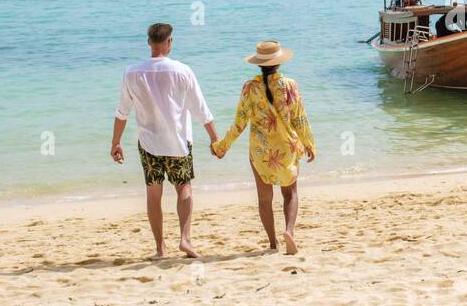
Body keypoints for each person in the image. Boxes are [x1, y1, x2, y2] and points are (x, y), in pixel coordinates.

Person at [111, 23, 218, 258]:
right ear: (170, 42)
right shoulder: (182, 71)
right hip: (178, 143)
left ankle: (160, 248)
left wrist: (115, 143)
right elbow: (201, 110)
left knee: (153, 194)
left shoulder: (132, 72)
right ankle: (185, 239)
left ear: (149, 42)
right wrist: (214, 139)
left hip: (149, 144)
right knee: (184, 188)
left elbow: (122, 112)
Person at [211, 40, 315, 255]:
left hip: (260, 151)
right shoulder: (289, 85)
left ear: (258, 64)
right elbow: (300, 119)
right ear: (279, 62)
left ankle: (273, 243)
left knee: (264, 199)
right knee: (290, 193)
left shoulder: (250, 88)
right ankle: (289, 232)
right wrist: (309, 143)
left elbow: (239, 122)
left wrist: (222, 147)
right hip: (286, 147)